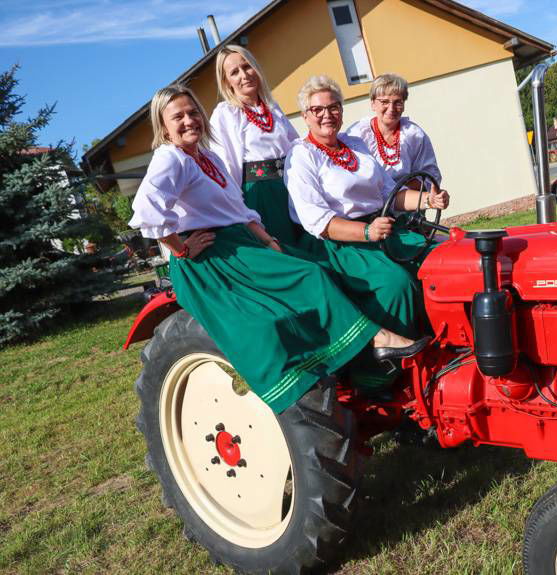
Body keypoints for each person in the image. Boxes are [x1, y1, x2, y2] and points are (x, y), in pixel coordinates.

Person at [129, 84, 428, 412]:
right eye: (178, 116)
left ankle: (355, 363)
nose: (189, 120)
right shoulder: (170, 158)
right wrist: (181, 249)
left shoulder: (207, 158)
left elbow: (239, 211)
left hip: (240, 241)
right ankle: (376, 339)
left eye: (193, 112)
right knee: (309, 277)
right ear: (164, 126)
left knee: (318, 269)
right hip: (212, 257)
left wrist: (269, 241)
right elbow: (146, 210)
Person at [284, 76, 449, 388]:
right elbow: (318, 220)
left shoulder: (356, 145)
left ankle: (447, 347)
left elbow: (390, 195)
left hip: (383, 228)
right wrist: (367, 231)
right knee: (395, 284)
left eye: (334, 107)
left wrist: (428, 199)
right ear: (305, 115)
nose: (327, 115)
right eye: (318, 109)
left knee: (442, 258)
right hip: (339, 242)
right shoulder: (302, 155)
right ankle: (379, 378)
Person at [210, 45, 300, 245]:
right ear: (226, 81)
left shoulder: (272, 107)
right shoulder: (226, 113)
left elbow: (295, 145)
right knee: (283, 248)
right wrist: (237, 207)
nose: (244, 75)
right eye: (234, 72)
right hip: (260, 192)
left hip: (290, 186)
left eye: (247, 66)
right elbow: (226, 165)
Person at [346, 73, 441, 189]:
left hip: (408, 197)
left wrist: (397, 192)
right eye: (384, 102)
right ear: (373, 104)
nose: (391, 109)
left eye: (398, 102)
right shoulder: (357, 134)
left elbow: (431, 175)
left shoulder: (414, 135)